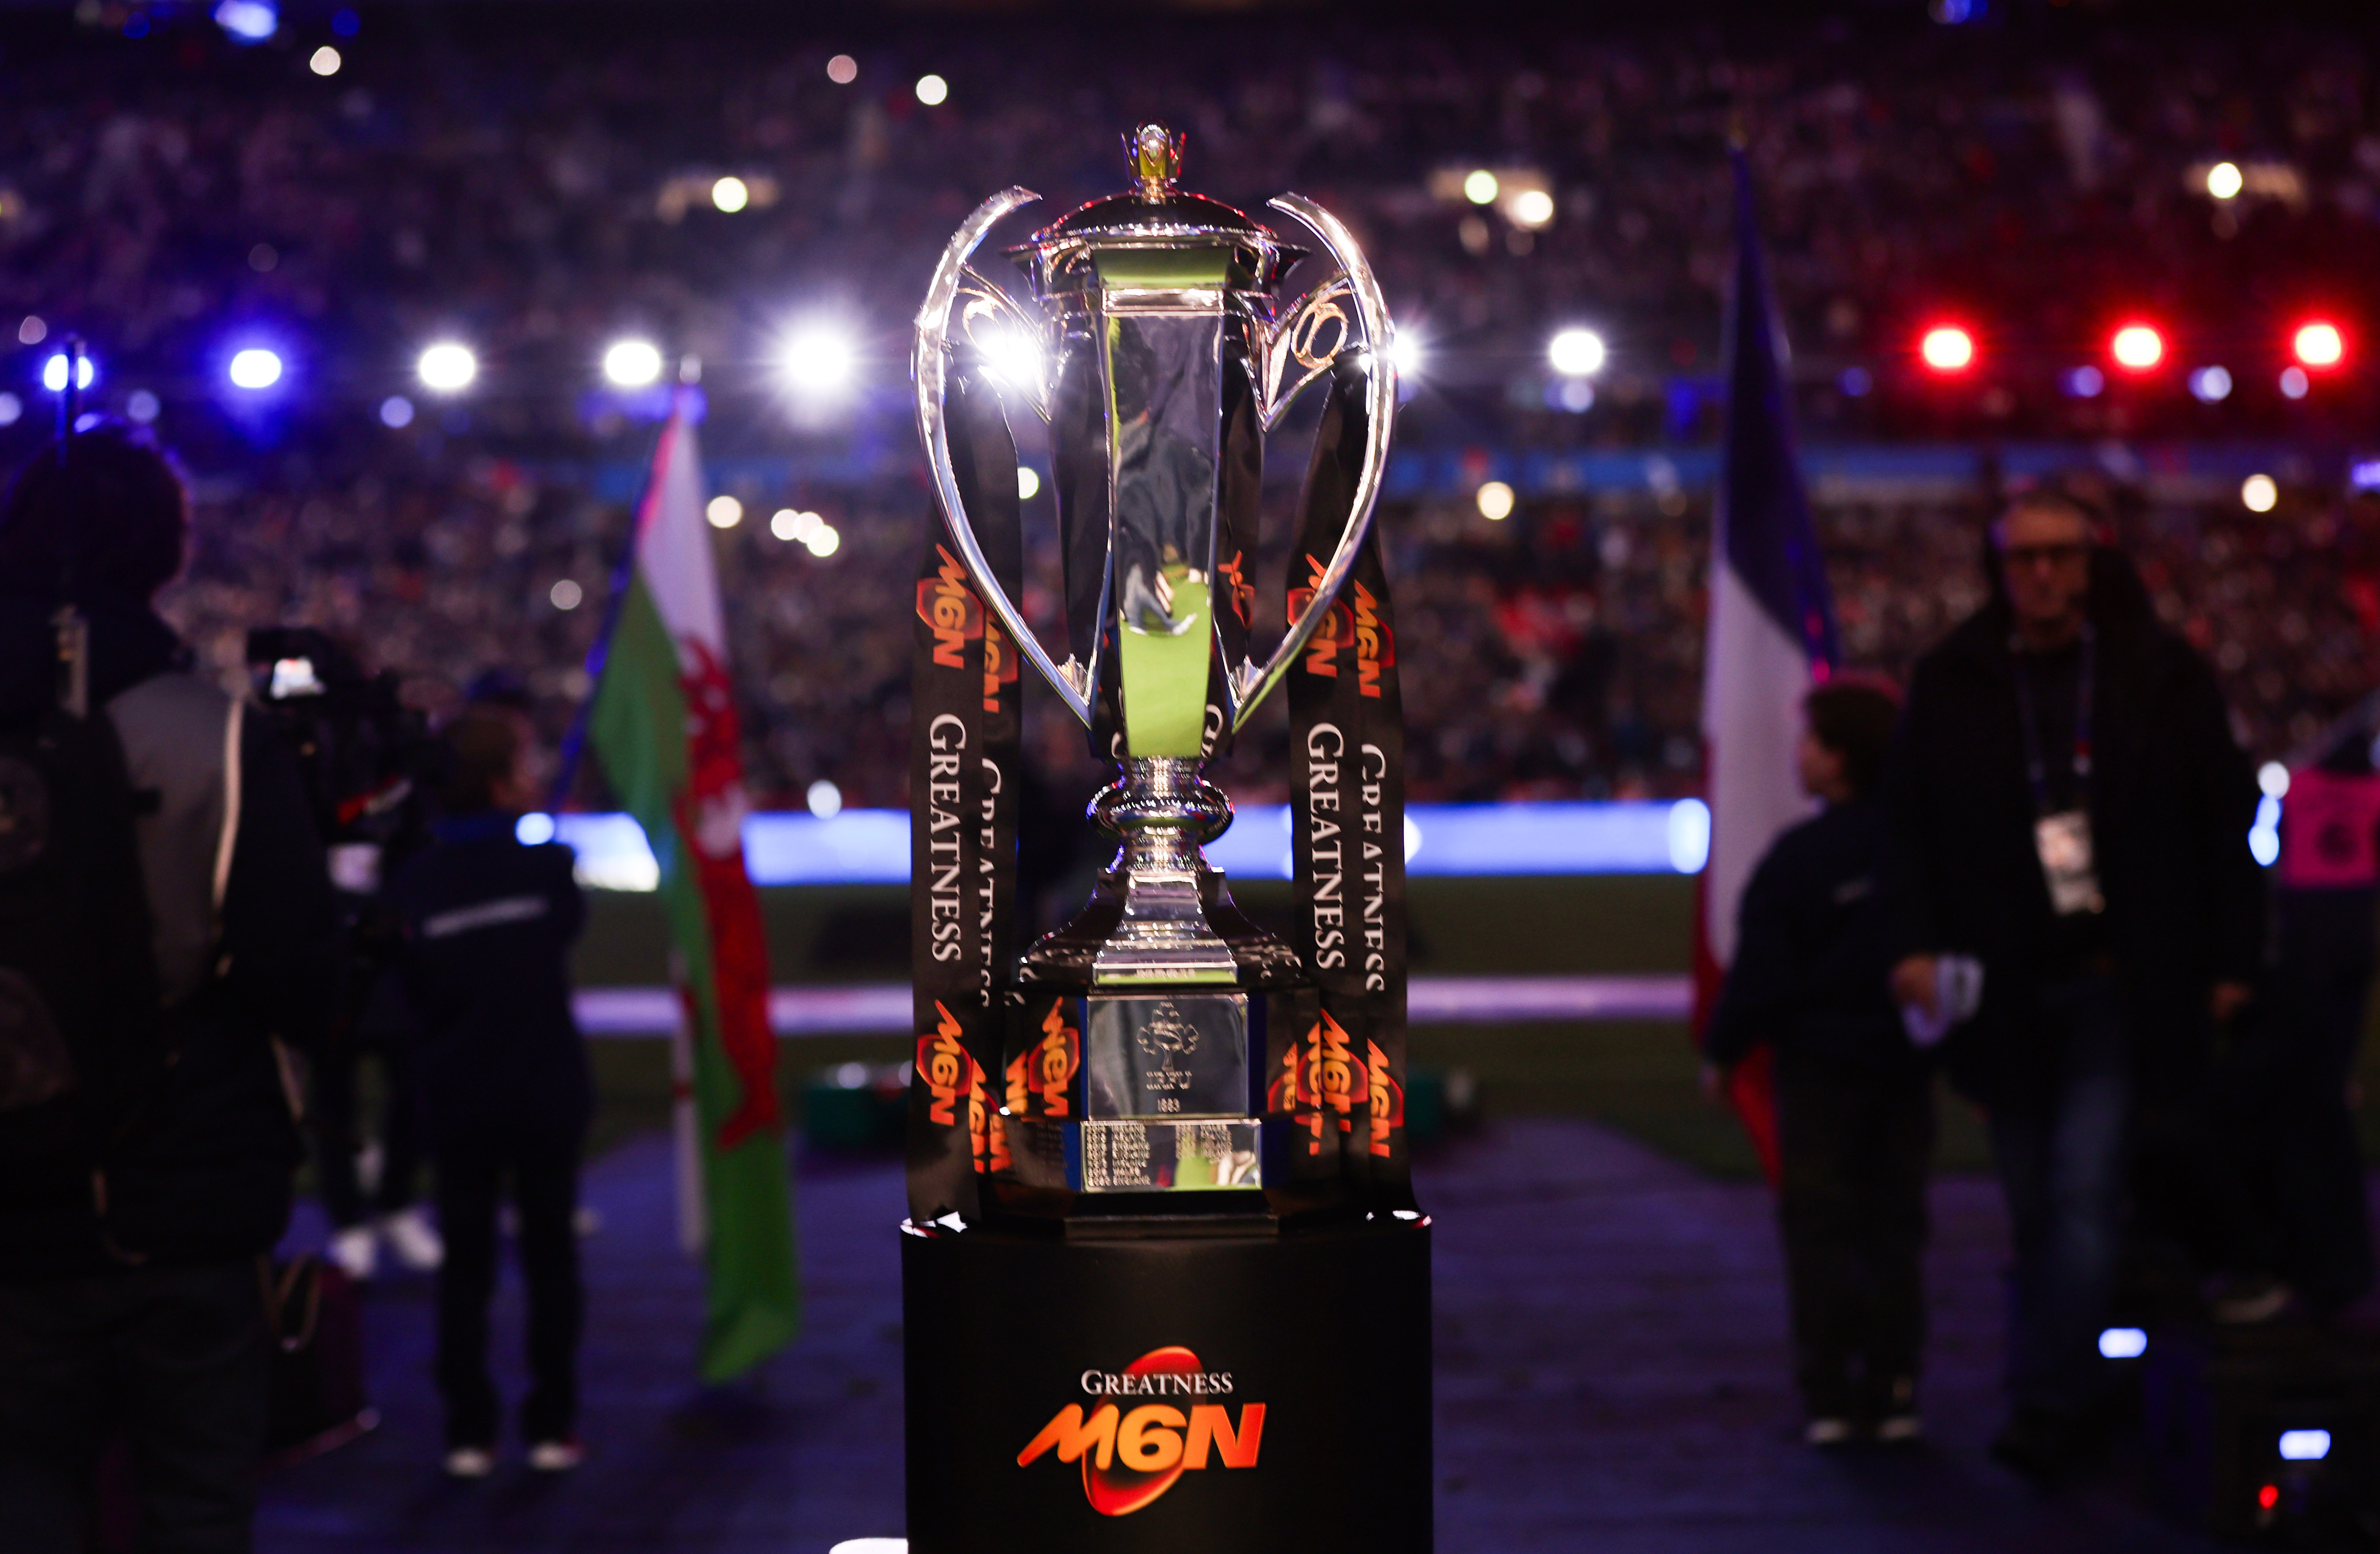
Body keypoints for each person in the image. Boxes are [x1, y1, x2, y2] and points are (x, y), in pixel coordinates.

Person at [0, 423, 341, 1552]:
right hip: (188, 1201)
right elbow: (302, 981)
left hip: (19, 1204)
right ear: (168, 551)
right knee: (196, 1510)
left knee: (31, 1500)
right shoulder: (214, 734)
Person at [1885, 489, 2262, 1482]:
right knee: (2033, 1204)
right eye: (2023, 558)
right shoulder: (1955, 678)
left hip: (2116, 976)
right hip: (2001, 986)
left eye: (2058, 555)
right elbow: (1909, 828)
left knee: (2082, 1192)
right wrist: (1913, 945)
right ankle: (2075, 1381)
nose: (2040, 574)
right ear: (1998, 567)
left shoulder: (2157, 673)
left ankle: (2049, 1403)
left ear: (2088, 563)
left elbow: (2219, 822)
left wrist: (2230, 960)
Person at [1704, 679, 1928, 1446]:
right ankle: (1894, 1391)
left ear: (1838, 759)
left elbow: (1761, 971)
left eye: (1811, 742)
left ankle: (1830, 1395)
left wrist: (1723, 1051)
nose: (1797, 755)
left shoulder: (1800, 859)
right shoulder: (1914, 849)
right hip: (1901, 1070)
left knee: (1822, 1232)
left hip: (1822, 1075)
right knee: (1894, 1233)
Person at [388, 709, 592, 1478]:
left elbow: (411, 990)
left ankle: (468, 1432)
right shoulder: (548, 870)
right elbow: (561, 933)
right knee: (550, 1266)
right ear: (504, 782)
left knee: (464, 1271)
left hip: (460, 1098)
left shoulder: (415, 884)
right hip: (542, 1094)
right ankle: (551, 1423)